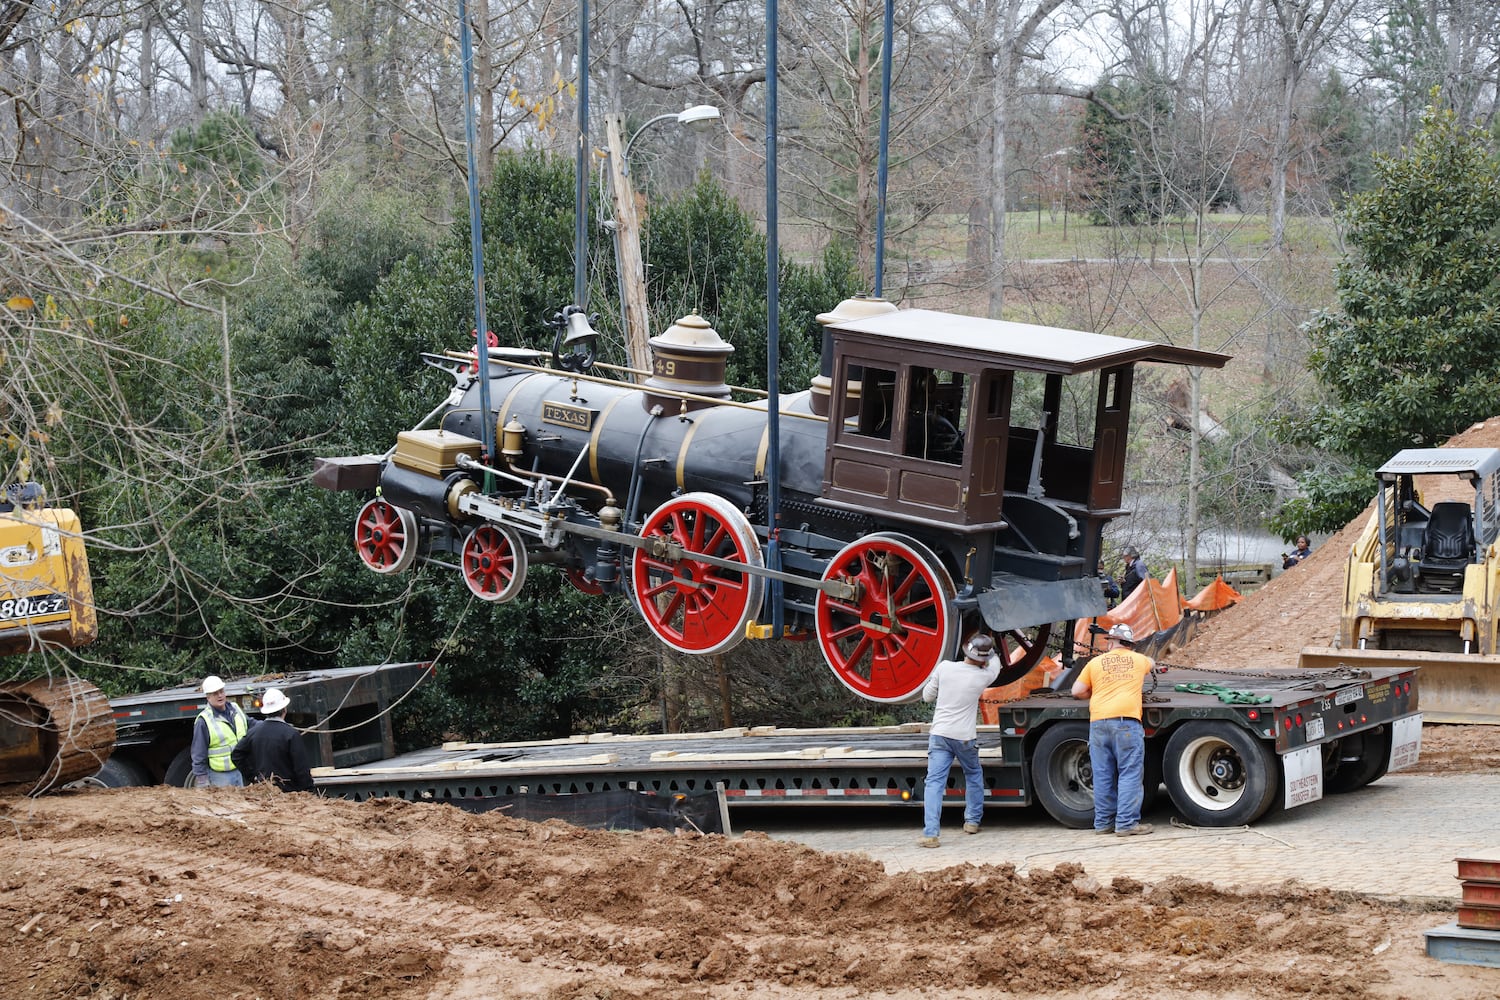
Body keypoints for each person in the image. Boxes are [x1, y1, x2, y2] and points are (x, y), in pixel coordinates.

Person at [1071, 623, 1156, 837]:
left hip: (1099, 722)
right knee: (1129, 773)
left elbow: (1077, 691)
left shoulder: (1095, 662)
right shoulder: (1138, 660)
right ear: (1130, 644)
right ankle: (1126, 823)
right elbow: (1153, 663)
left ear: (1111, 642)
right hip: (1126, 722)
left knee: (1102, 775)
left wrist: (1095, 694)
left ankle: (1103, 824)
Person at [918, 634, 1002, 847]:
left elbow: (927, 696)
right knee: (973, 775)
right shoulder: (984, 676)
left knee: (934, 783)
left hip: (940, 735)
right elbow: (996, 662)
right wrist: (992, 643)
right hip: (965, 737)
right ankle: (972, 822)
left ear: (966, 650)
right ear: (983, 659)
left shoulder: (945, 667)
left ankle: (930, 834)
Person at [231, 687, 315, 793]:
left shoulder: (254, 732)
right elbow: (301, 768)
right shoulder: (291, 734)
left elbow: (236, 755)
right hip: (291, 795)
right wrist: (310, 790)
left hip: (265, 793)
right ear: (284, 709)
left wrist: (253, 777)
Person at [190, 674, 251, 787]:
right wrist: (202, 780)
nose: (220, 695)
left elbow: (250, 723)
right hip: (220, 776)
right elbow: (198, 754)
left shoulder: (235, 708)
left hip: (239, 770)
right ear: (208, 697)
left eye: (221, 691)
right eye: (215, 693)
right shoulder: (204, 720)